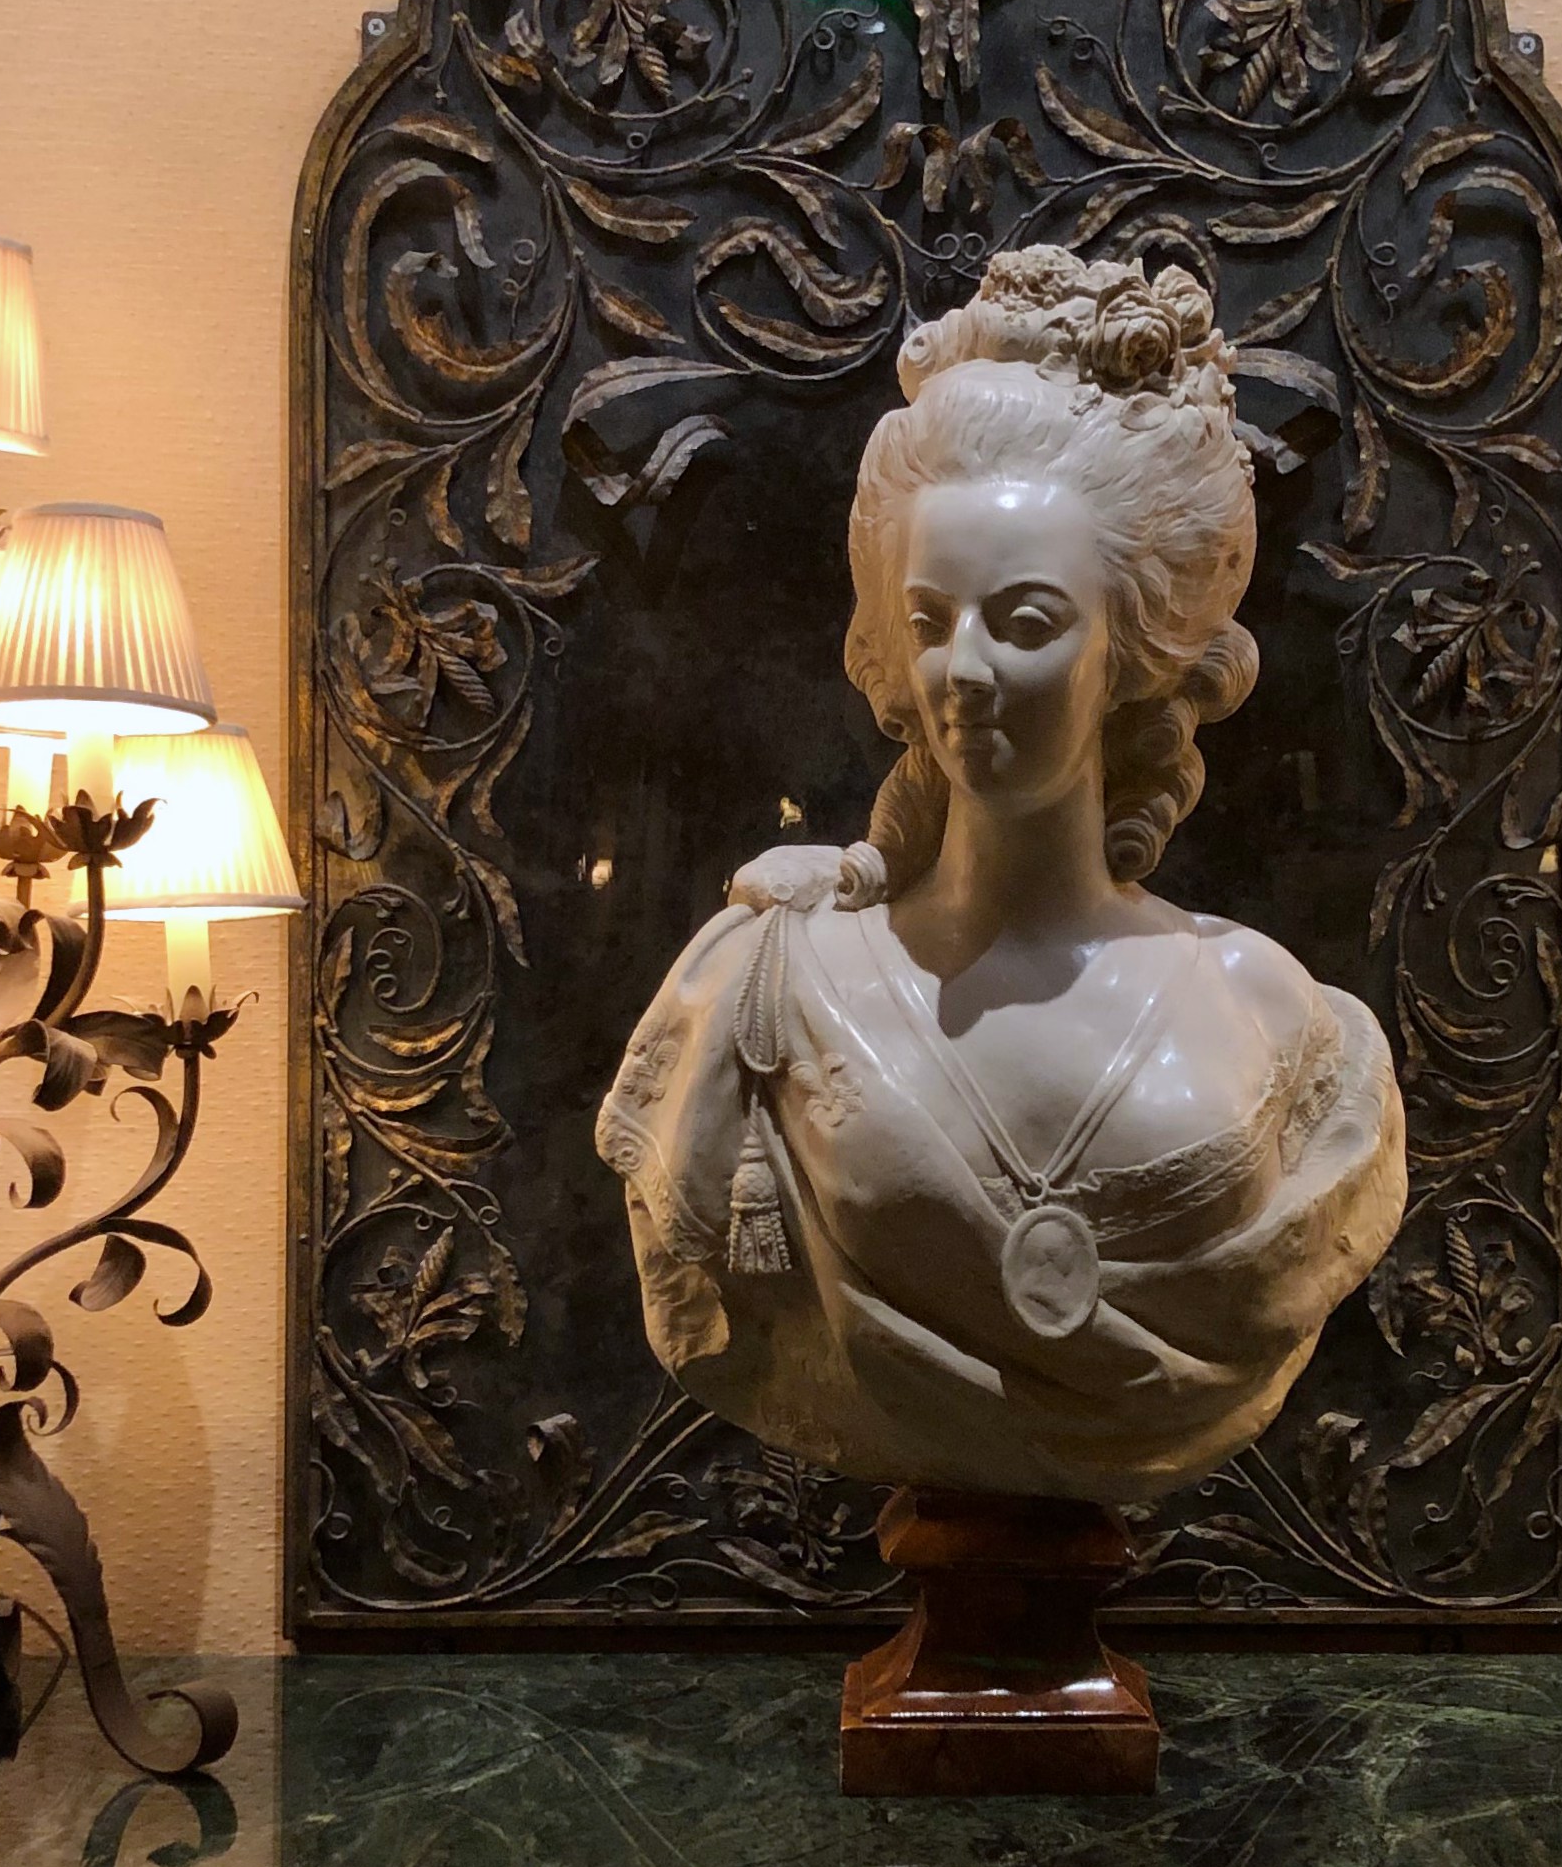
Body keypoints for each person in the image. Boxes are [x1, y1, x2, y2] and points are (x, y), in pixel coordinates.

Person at [596, 247, 1405, 1503]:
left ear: (1133, 647)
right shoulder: (766, 988)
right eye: (931, 622)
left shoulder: (1275, 1019)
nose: (963, 672)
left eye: (1026, 623)